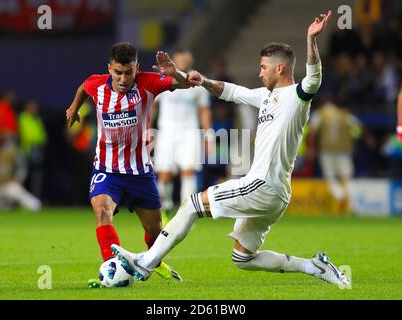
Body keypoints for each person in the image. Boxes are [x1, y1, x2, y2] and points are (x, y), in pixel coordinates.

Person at [112, 11, 351, 287]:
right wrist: (197, 79)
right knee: (243, 259)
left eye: (263, 67)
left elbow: (314, 76)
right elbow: (231, 91)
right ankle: (313, 266)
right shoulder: (265, 96)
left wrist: (310, 38)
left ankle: (145, 262)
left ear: (280, 68)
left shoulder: (297, 97)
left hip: (263, 185)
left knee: (191, 204)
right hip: (277, 193)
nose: (259, 72)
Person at [65, 42, 192, 283]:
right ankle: (111, 269)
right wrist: (73, 109)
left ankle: (155, 261)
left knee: (155, 232)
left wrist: (175, 72)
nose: (123, 79)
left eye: (129, 73)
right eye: (118, 73)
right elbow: (84, 87)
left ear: (137, 68)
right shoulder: (97, 84)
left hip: (139, 173)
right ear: (109, 69)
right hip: (106, 169)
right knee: (101, 209)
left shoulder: (149, 82)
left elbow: (187, 83)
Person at [153, 48, 212, 213]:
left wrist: (209, 135)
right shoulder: (163, 81)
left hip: (189, 133)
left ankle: (188, 211)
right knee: (164, 174)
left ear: (190, 61)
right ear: (174, 60)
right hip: (166, 132)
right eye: (180, 59)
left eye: (186, 59)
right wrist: (147, 130)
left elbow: (204, 111)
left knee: (188, 172)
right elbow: (152, 106)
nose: (183, 62)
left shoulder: (198, 82)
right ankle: (165, 207)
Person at [308, 99, 373, 213]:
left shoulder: (319, 114)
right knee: (347, 178)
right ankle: (352, 206)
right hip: (344, 150)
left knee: (330, 177)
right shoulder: (344, 114)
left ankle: (340, 196)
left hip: (327, 150)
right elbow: (359, 126)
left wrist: (312, 148)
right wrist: (367, 138)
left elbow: (312, 131)